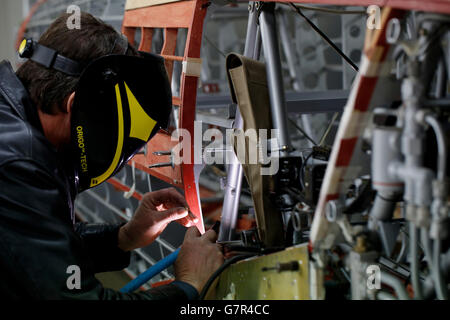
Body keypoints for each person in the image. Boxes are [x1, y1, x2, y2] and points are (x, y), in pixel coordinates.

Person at [0, 12, 224, 300]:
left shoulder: (15, 122)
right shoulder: (18, 164)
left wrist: (123, 237)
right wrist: (189, 286)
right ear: (76, 105)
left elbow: (32, 248)